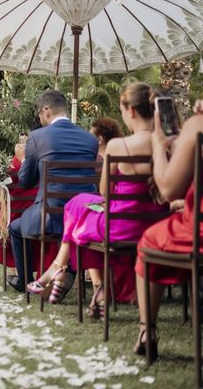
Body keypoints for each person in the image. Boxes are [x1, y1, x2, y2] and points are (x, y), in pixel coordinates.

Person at [27, 83, 168, 310]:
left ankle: (66, 272)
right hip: (159, 225)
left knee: (77, 209)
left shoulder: (118, 146)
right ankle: (79, 278)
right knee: (80, 205)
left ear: (130, 111)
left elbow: (105, 192)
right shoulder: (171, 144)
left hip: (122, 227)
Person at [132, 99, 203, 361]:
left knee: (151, 238)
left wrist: (159, 146)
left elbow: (168, 189)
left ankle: (146, 330)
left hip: (198, 232)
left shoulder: (198, 125)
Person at [7, 90, 98, 293]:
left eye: (39, 113)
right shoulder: (89, 139)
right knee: (67, 226)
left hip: (49, 217)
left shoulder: (37, 137)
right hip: (84, 217)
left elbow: (26, 181)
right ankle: (69, 272)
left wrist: (22, 160)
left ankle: (25, 280)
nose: (39, 118)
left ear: (46, 111)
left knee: (14, 227)